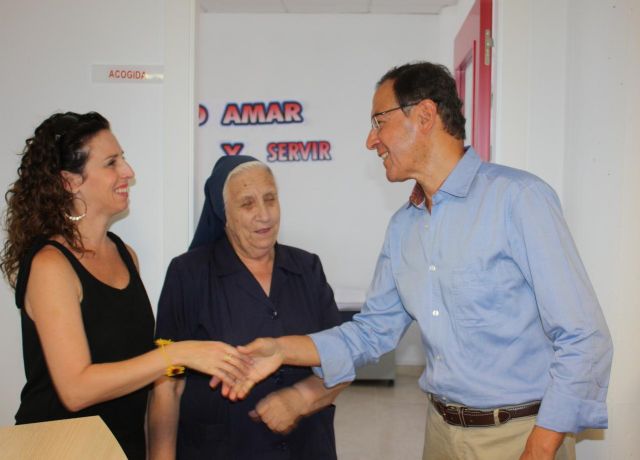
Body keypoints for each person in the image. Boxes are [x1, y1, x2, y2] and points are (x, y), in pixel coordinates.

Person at [233, 62, 614, 460]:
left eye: (379, 122)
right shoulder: (404, 227)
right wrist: (282, 349)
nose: (370, 140)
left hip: (519, 437)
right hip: (440, 433)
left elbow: (585, 338)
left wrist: (540, 447)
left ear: (425, 115)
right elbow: (372, 332)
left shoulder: (518, 200)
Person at [0, 112, 251, 459]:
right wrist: (176, 354)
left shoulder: (124, 254)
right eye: (111, 163)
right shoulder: (50, 265)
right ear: (70, 182)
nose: (128, 172)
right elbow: (76, 390)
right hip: (57, 450)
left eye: (123, 158)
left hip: (119, 449)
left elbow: (140, 376)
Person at [148, 155, 346, 460]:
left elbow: (343, 358)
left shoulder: (307, 268)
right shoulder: (187, 275)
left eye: (270, 199)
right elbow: (168, 383)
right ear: (223, 213)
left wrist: (301, 399)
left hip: (306, 448)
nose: (264, 215)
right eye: (247, 204)